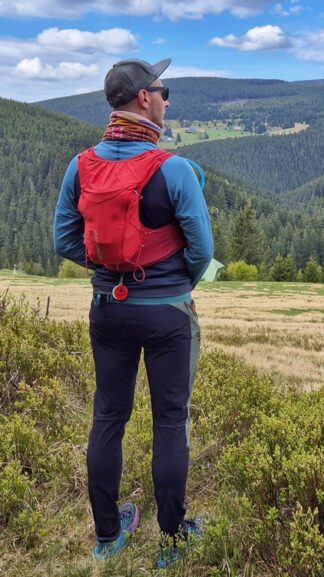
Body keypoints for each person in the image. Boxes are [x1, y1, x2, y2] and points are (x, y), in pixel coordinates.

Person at [54, 57, 214, 567]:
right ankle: (172, 540)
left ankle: (108, 535)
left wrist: (110, 268)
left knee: (108, 416)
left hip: (108, 310)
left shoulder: (81, 166)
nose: (167, 99)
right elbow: (203, 250)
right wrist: (175, 285)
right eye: (164, 91)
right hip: (167, 314)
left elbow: (64, 240)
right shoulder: (174, 169)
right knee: (170, 420)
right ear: (144, 98)